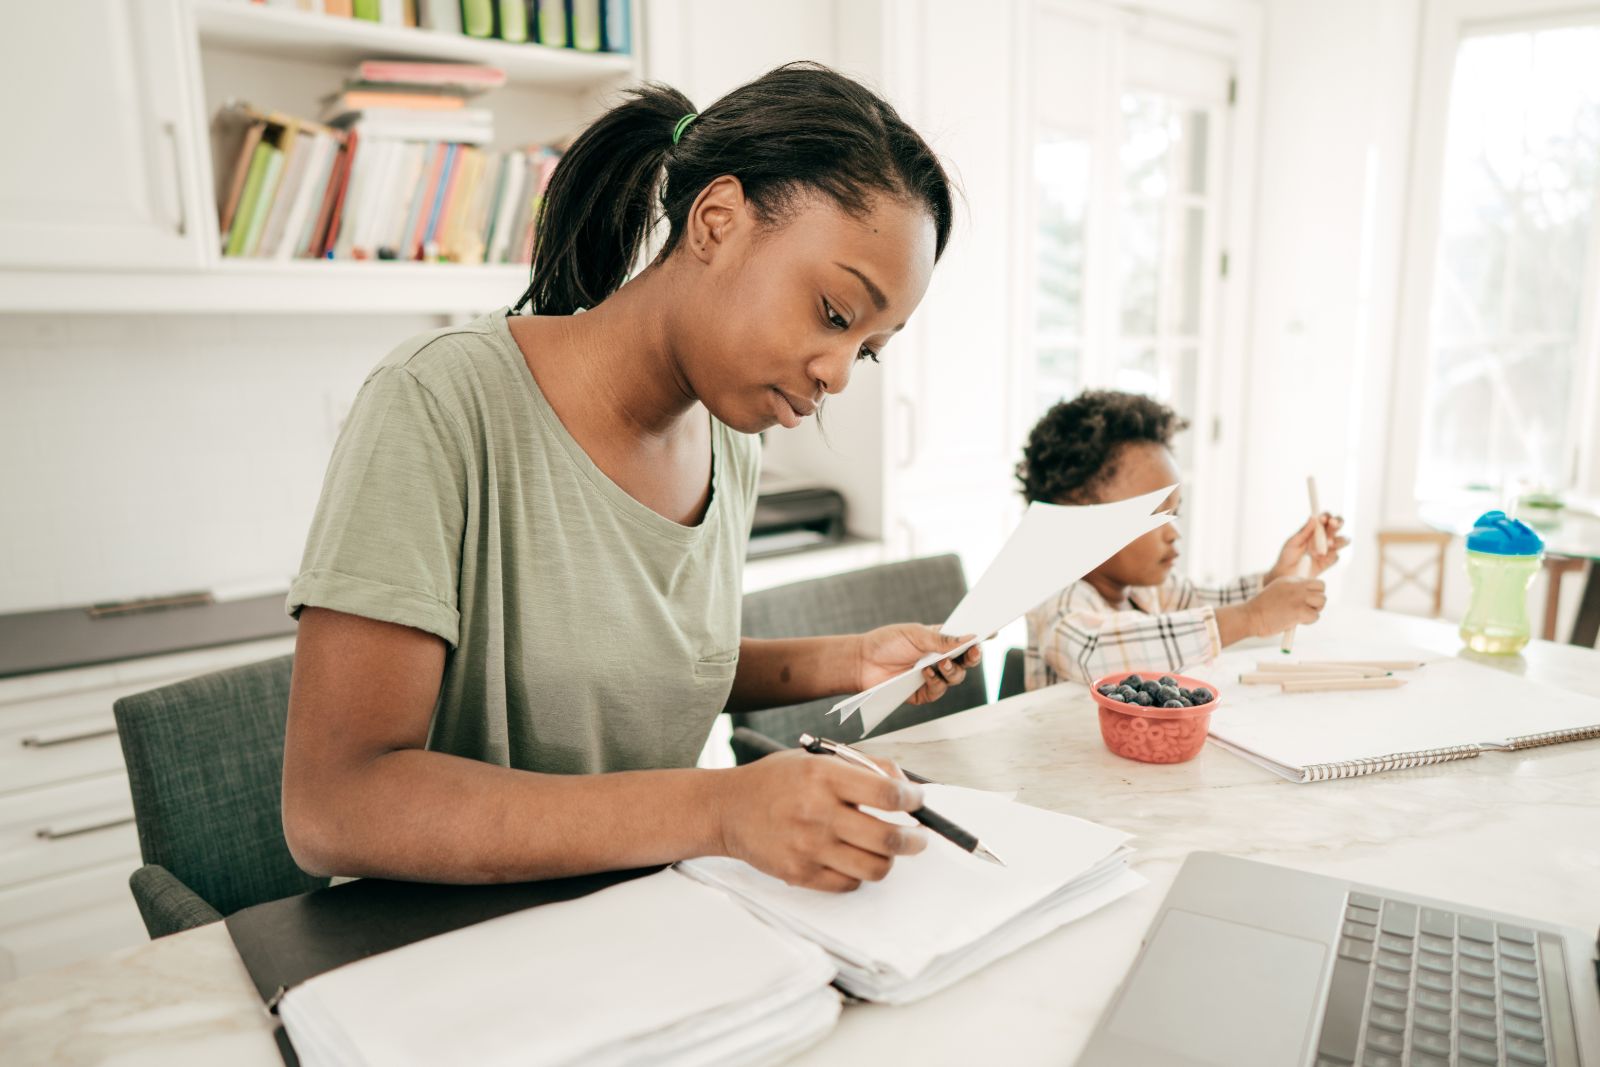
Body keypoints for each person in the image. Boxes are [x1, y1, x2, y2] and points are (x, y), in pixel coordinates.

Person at [281, 63, 978, 895]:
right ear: (716, 221)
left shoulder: (732, 444)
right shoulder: (440, 402)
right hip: (443, 949)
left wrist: (847, 659)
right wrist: (718, 810)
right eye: (834, 313)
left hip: (644, 915)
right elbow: (333, 805)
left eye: (867, 347)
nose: (839, 373)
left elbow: (635, 664)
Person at [1016, 390, 1347, 690]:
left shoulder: (1148, 590)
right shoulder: (1056, 599)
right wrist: (1251, 617)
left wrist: (1279, 578)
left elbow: (1209, 603)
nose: (1174, 532)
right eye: (1153, 514)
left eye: (1174, 513)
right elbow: (1094, 653)